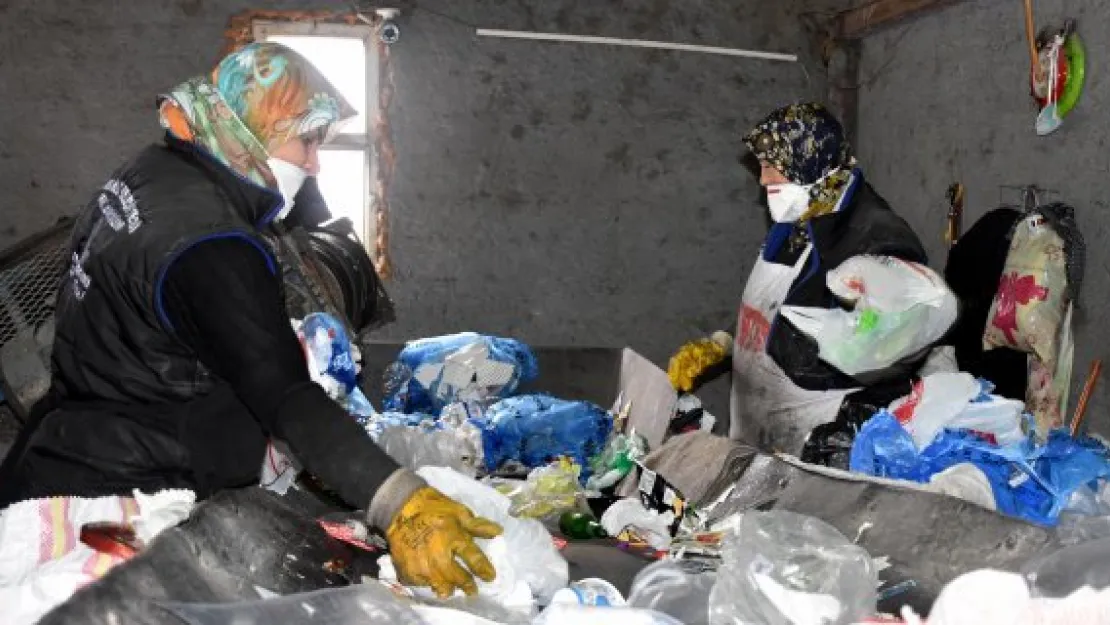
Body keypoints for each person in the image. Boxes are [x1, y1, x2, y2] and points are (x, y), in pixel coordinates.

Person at [0, 43, 499, 600]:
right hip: (131, 494)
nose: (314, 164)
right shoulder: (213, 245)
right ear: (251, 131)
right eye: (307, 142)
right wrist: (400, 501)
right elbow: (288, 399)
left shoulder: (153, 170)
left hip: (68, 443)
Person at [668, 102, 929, 464]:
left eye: (771, 167)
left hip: (816, 447)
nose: (763, 180)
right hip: (758, 438)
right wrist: (724, 342)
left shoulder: (877, 239)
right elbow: (777, 304)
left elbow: (894, 348)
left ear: (808, 161)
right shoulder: (799, 222)